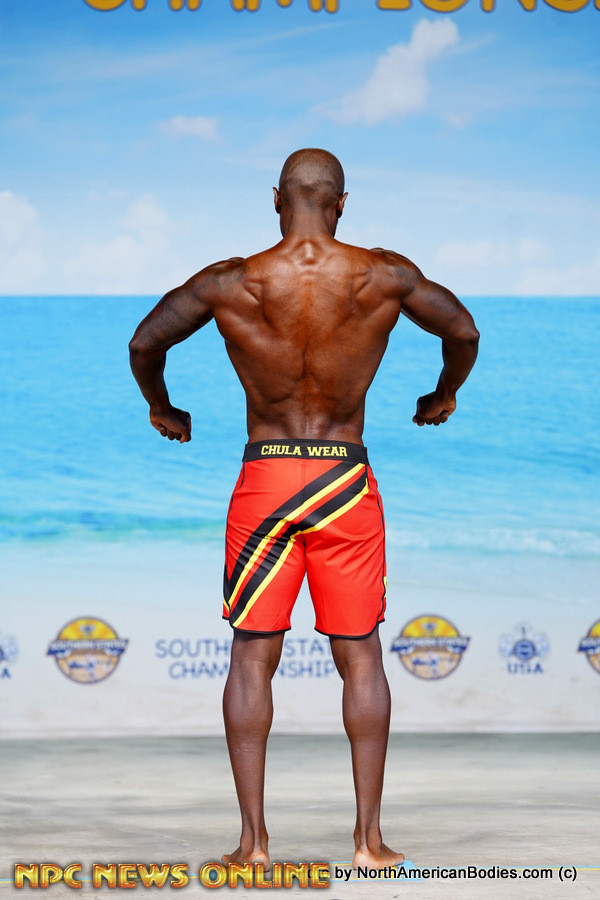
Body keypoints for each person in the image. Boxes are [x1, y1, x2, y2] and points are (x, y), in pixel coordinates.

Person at [129, 148, 479, 871]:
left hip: (267, 477)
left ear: (276, 199)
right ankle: (369, 842)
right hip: (343, 480)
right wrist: (443, 394)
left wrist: (163, 407)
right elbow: (464, 332)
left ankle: (253, 844)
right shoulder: (383, 275)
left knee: (253, 655)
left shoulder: (230, 282)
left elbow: (144, 341)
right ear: (342, 203)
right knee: (361, 655)